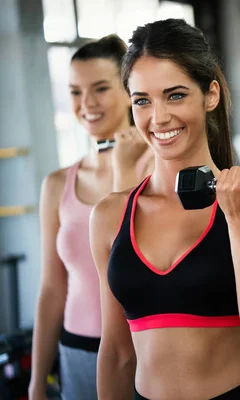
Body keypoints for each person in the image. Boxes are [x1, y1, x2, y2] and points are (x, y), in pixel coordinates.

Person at [89, 19, 240, 399]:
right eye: (142, 101)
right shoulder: (109, 216)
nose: (159, 117)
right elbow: (118, 353)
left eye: (175, 95)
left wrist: (239, 220)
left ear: (210, 95)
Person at [28, 35, 153, 400]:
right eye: (75, 92)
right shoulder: (57, 184)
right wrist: (36, 382)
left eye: (100, 88)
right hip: (76, 351)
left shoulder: (161, 170)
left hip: (147, 352)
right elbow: (52, 288)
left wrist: (124, 169)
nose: (87, 104)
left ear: (130, 91)